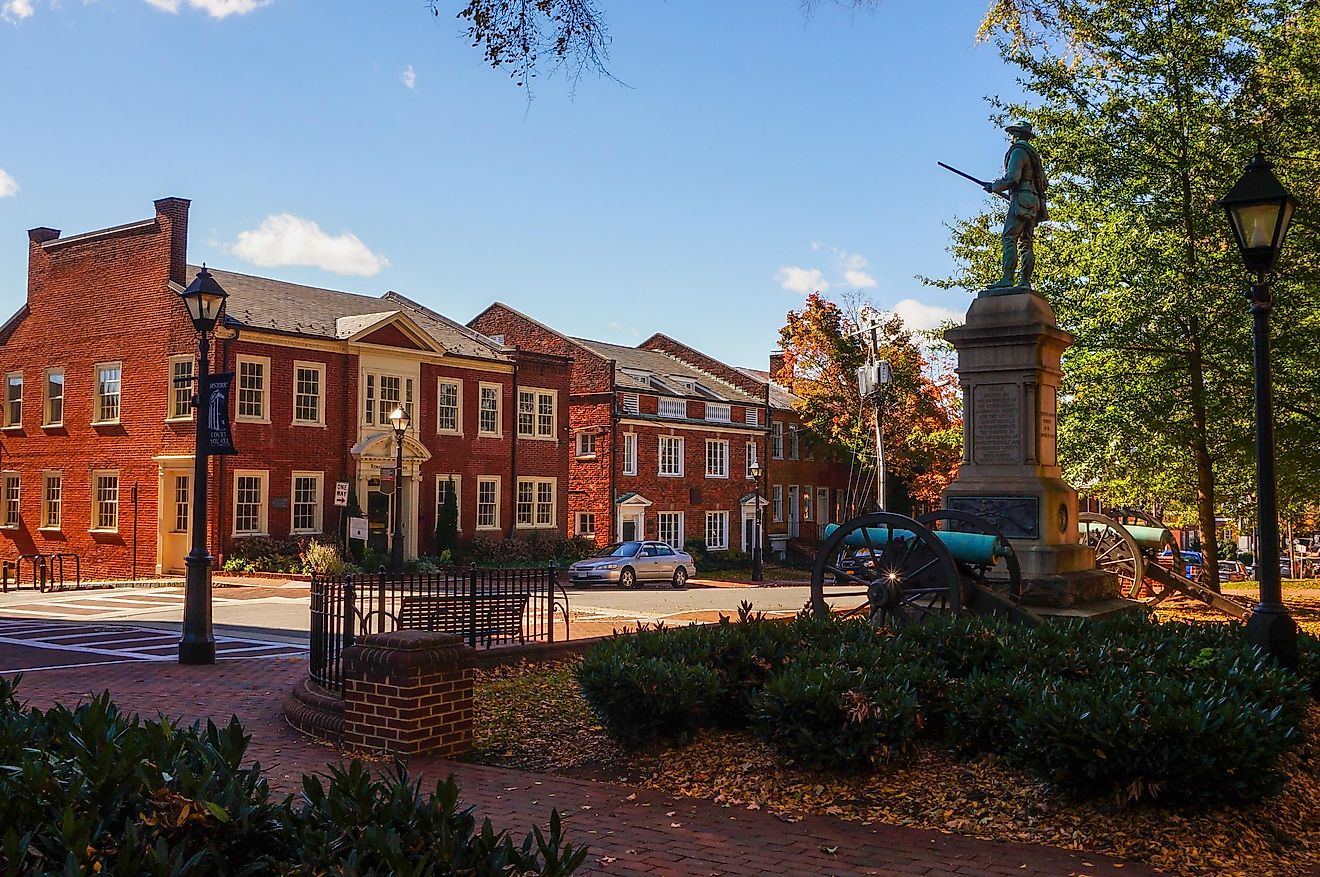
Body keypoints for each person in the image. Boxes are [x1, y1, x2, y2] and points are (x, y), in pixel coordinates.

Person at [984, 121, 1048, 290]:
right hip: (1033, 202)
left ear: (1017, 135)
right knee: (1026, 242)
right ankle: (1025, 281)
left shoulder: (1019, 152)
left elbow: (1013, 178)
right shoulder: (1033, 155)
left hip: (1021, 200)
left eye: (1013, 134)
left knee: (1009, 238)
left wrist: (994, 186)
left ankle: (1007, 278)